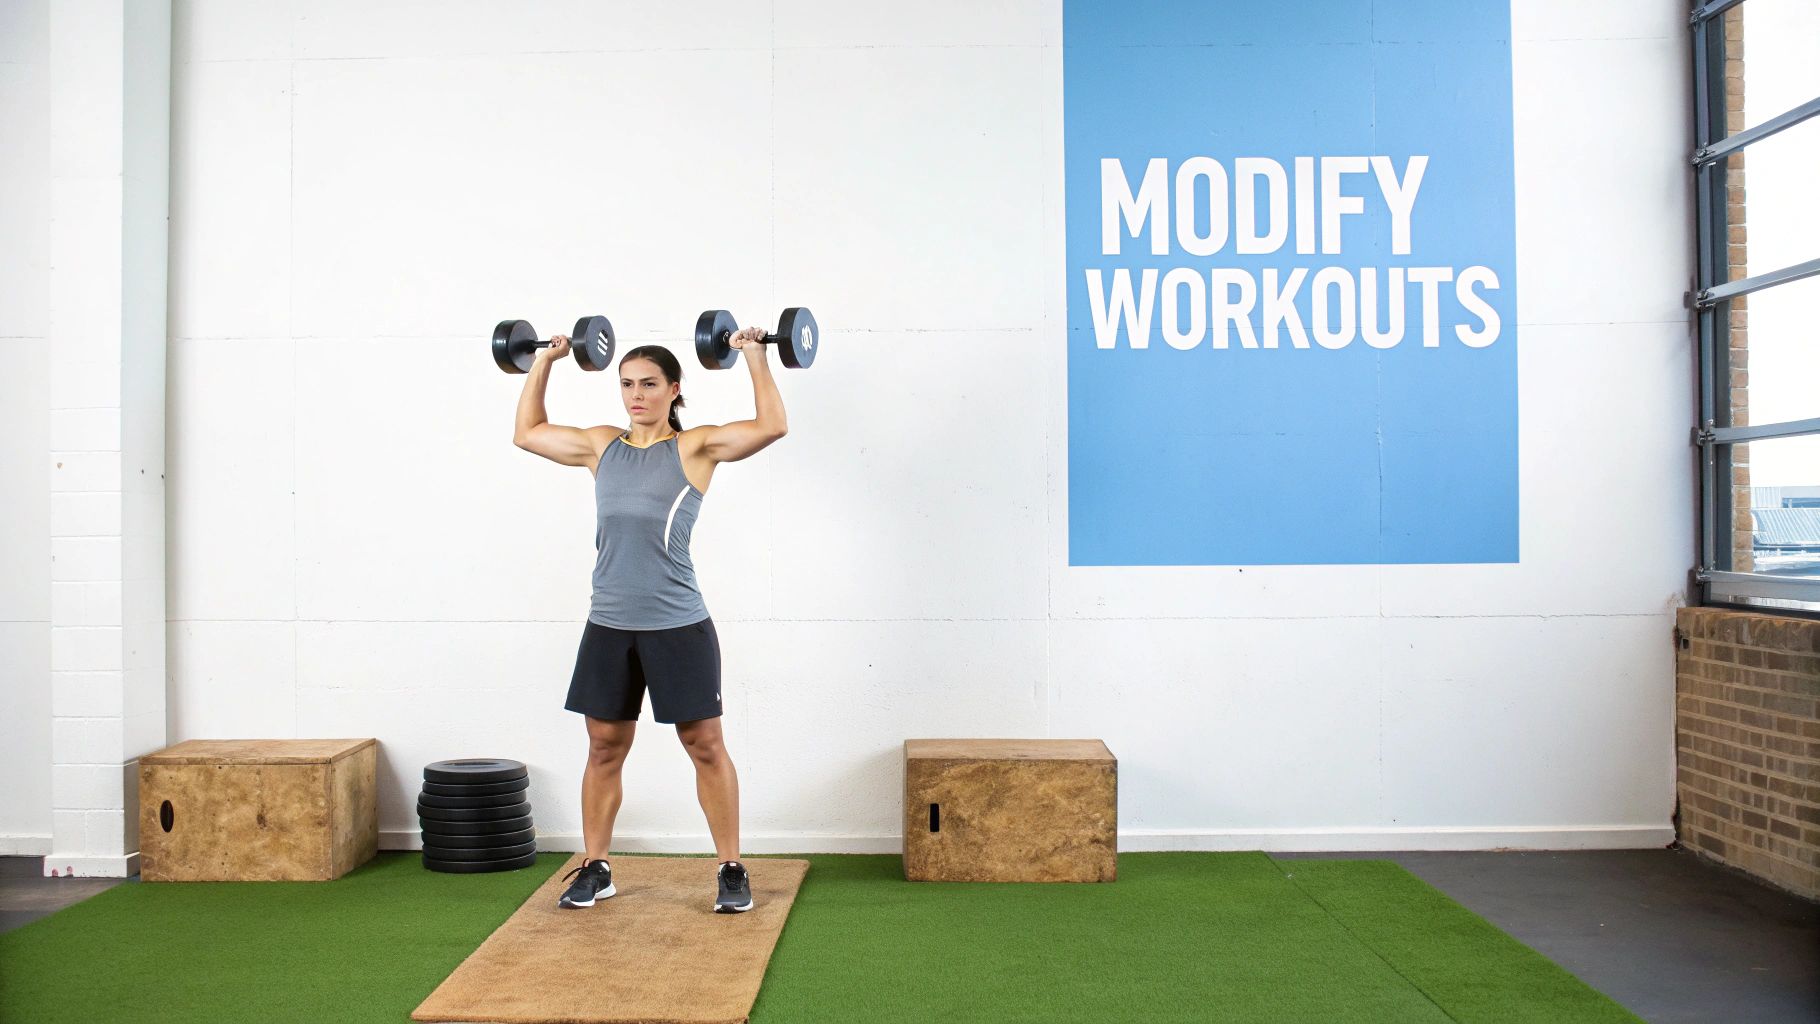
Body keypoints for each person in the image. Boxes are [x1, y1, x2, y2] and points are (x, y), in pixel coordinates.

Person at [511, 323, 786, 913]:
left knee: (704, 743)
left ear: (674, 389)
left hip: (678, 625)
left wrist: (755, 356)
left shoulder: (695, 448)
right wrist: (547, 360)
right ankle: (595, 865)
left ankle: (731, 868)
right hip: (608, 624)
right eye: (627, 384)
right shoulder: (599, 445)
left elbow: (771, 426)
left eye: (649, 384)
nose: (636, 395)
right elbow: (527, 433)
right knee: (604, 746)